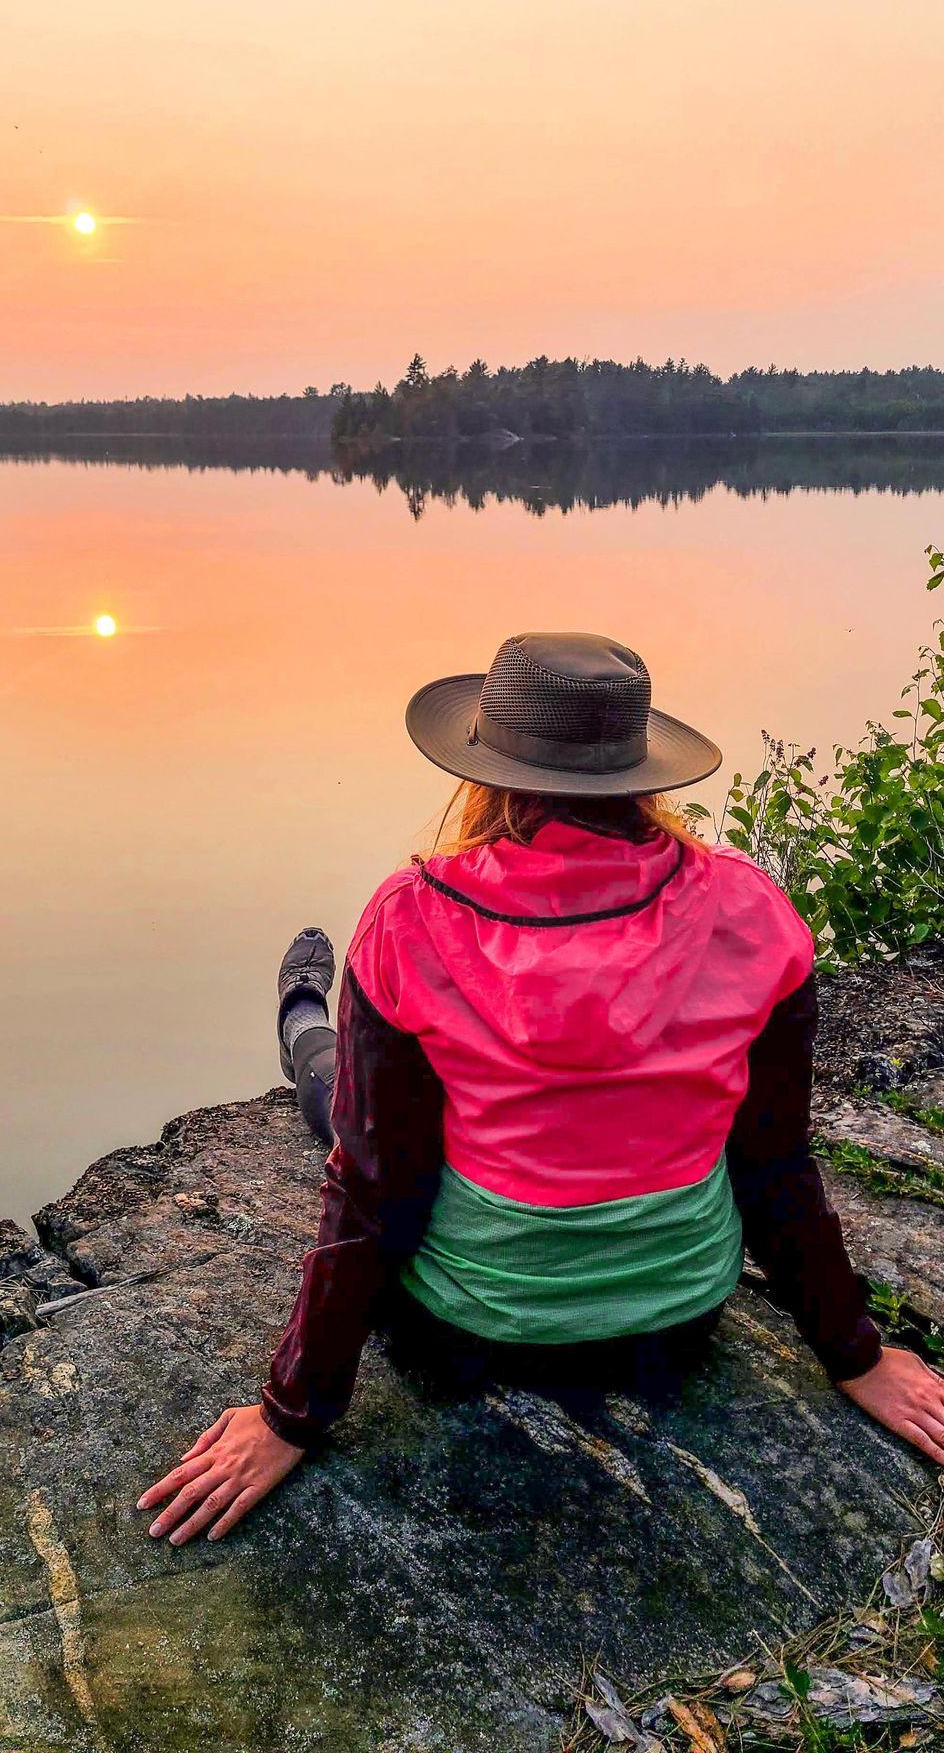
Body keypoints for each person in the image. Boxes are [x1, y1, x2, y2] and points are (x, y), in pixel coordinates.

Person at [138, 632, 944, 1545]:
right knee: (377, 1107)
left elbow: (374, 1189)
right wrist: (856, 1354)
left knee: (336, 1102)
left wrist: (290, 1413)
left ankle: (299, 1020)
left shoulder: (412, 922)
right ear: (641, 772)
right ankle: (306, 1024)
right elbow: (774, 1165)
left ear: (486, 772)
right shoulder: (754, 912)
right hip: (674, 1327)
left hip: (473, 1340)